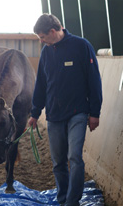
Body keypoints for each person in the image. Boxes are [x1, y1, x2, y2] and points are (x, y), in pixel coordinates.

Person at [28, 13, 103, 206]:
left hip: (78, 112)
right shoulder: (46, 52)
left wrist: (95, 113)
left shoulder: (81, 46)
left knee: (74, 157)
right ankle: (62, 200)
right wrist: (35, 113)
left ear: (53, 31)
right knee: (59, 162)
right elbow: (41, 85)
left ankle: (72, 202)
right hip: (54, 115)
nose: (42, 41)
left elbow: (94, 80)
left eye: (42, 37)